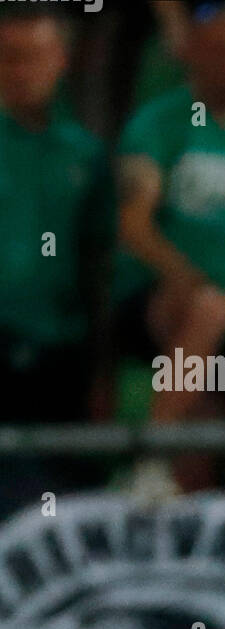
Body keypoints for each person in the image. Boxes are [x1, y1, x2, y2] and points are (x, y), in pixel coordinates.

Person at [113, 1, 225, 425]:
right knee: (209, 311)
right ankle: (152, 453)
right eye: (221, 49)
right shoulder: (159, 123)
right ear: (193, 52)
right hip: (162, 302)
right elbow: (132, 226)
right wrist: (190, 281)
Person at [0, 10, 113, 423]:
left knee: (66, 480)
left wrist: (103, 370)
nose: (21, 71)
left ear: (60, 60)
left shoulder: (86, 156)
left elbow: (97, 265)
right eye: (9, 56)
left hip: (63, 348)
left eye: (35, 56)